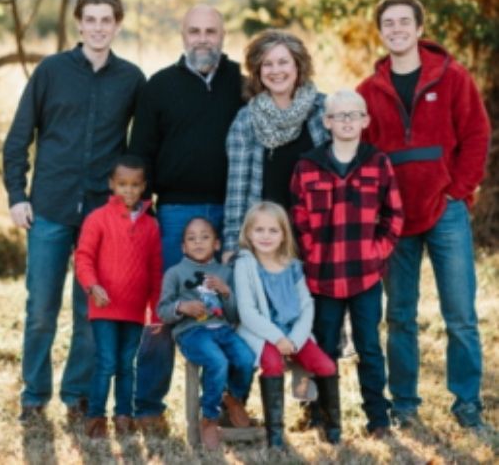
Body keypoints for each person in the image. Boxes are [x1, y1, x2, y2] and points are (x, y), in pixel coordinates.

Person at [2, 0, 145, 422]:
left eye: (107, 20)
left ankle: (78, 395)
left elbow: (142, 145)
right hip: (48, 207)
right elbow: (17, 138)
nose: (99, 28)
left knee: (91, 309)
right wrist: (17, 196)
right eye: (92, 19)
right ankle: (34, 396)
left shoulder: (131, 79)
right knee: (41, 308)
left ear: (116, 26)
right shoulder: (50, 71)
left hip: (103, 216)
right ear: (79, 23)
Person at [357, 0, 490, 429]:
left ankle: (467, 404)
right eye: (388, 24)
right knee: (399, 316)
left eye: (403, 22)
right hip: (395, 217)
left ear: (418, 28)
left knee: (461, 316)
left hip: (446, 210)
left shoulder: (451, 77)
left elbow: (476, 133)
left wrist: (459, 190)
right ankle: (406, 406)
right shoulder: (368, 91)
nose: (396, 29)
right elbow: (361, 151)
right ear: (381, 33)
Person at [128, 4, 244, 431]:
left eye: (210, 31)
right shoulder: (159, 86)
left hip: (232, 214)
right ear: (182, 34)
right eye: (194, 30)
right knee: (165, 308)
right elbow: (140, 152)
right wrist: (146, 212)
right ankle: (148, 409)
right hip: (175, 212)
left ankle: (231, 402)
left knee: (232, 306)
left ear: (223, 34)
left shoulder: (242, 84)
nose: (202, 38)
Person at [290, 90, 404, 440]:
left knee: (369, 346)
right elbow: (299, 219)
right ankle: (326, 419)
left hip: (365, 276)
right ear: (327, 122)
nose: (347, 121)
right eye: (339, 116)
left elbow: (394, 215)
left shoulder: (378, 163)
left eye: (354, 115)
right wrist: (313, 255)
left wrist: (376, 253)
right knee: (324, 347)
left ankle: (378, 419)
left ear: (365, 121)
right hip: (322, 278)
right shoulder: (308, 166)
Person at [234, 201, 338, 449]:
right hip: (261, 333)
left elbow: (306, 305)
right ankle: (276, 437)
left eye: (273, 230)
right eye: (259, 230)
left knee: (325, 365)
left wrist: (295, 339)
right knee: (272, 363)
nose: (266, 236)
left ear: (283, 235)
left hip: (293, 334)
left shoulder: (292, 265)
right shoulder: (245, 264)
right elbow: (247, 312)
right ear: (248, 233)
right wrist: (276, 338)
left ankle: (332, 429)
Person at [222, 29, 330, 261]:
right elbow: (236, 190)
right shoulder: (246, 119)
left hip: (319, 234)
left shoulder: (324, 111)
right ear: (258, 72)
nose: (276, 71)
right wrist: (232, 244)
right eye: (267, 64)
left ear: (297, 66)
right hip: (267, 242)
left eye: (283, 62)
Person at [74, 155, 162, 438]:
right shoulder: (97, 219)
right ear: (111, 184)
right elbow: (84, 258)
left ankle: (124, 416)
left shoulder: (150, 226)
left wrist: (156, 311)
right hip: (104, 306)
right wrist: (92, 286)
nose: (128, 190)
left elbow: (155, 271)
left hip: (134, 310)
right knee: (107, 362)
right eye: (122, 184)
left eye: (135, 185)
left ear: (144, 186)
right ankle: (95, 417)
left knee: (127, 365)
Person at [157, 217, 255, 451]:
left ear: (217, 244)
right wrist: (182, 307)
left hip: (222, 329)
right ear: (183, 247)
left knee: (246, 358)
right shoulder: (175, 273)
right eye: (191, 238)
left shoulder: (224, 272)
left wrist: (226, 292)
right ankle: (209, 417)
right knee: (217, 361)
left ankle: (232, 397)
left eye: (205, 237)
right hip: (192, 333)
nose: (198, 242)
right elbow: (162, 310)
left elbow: (233, 316)